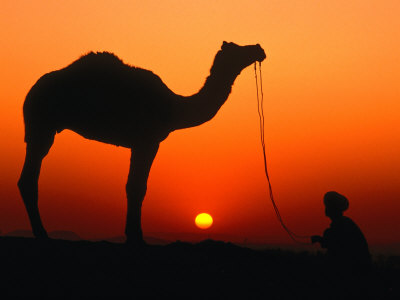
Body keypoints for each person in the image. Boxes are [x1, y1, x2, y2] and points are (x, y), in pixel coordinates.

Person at [311, 191, 371, 273]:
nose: (325, 209)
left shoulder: (341, 224)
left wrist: (320, 240)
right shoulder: (344, 223)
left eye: (328, 206)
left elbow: (336, 245)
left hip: (353, 270)